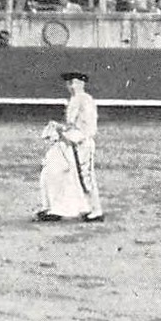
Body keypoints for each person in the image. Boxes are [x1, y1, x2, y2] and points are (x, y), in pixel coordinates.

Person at [49, 71, 104, 222]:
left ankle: (96, 210)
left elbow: (76, 124)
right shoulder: (81, 99)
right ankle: (85, 208)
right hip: (76, 140)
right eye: (68, 83)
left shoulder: (80, 99)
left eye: (73, 82)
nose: (70, 86)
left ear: (81, 84)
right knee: (75, 176)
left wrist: (59, 129)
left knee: (85, 176)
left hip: (81, 141)